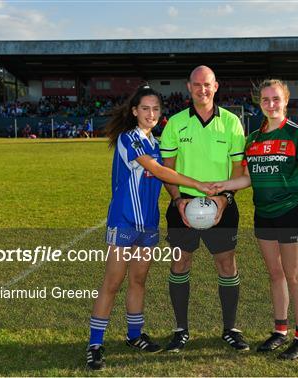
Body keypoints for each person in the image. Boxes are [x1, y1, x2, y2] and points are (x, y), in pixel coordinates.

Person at [86, 85, 214, 370]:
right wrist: (196, 184)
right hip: (124, 219)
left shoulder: (156, 144)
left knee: (139, 281)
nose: (151, 114)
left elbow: (165, 174)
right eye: (145, 108)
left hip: (148, 223)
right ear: (134, 111)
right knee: (113, 281)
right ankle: (95, 343)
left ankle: (134, 335)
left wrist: (182, 197)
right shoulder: (127, 138)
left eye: (156, 109)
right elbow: (158, 170)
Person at [213, 79, 298, 360]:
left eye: (276, 99)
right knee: (275, 275)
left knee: (294, 276)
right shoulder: (253, 139)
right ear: (259, 103)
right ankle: (280, 331)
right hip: (264, 215)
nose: (271, 104)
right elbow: (249, 178)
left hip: (291, 213)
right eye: (266, 100)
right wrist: (222, 185)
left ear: (286, 101)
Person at [159, 65, 249, 352]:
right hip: (183, 205)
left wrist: (223, 200)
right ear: (188, 87)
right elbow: (167, 170)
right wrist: (178, 200)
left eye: (207, 84)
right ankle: (180, 329)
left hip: (222, 204)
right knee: (180, 263)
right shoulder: (174, 123)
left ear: (216, 86)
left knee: (226, 264)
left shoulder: (233, 122)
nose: (202, 89)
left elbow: (238, 169)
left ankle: (230, 328)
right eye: (197, 85)